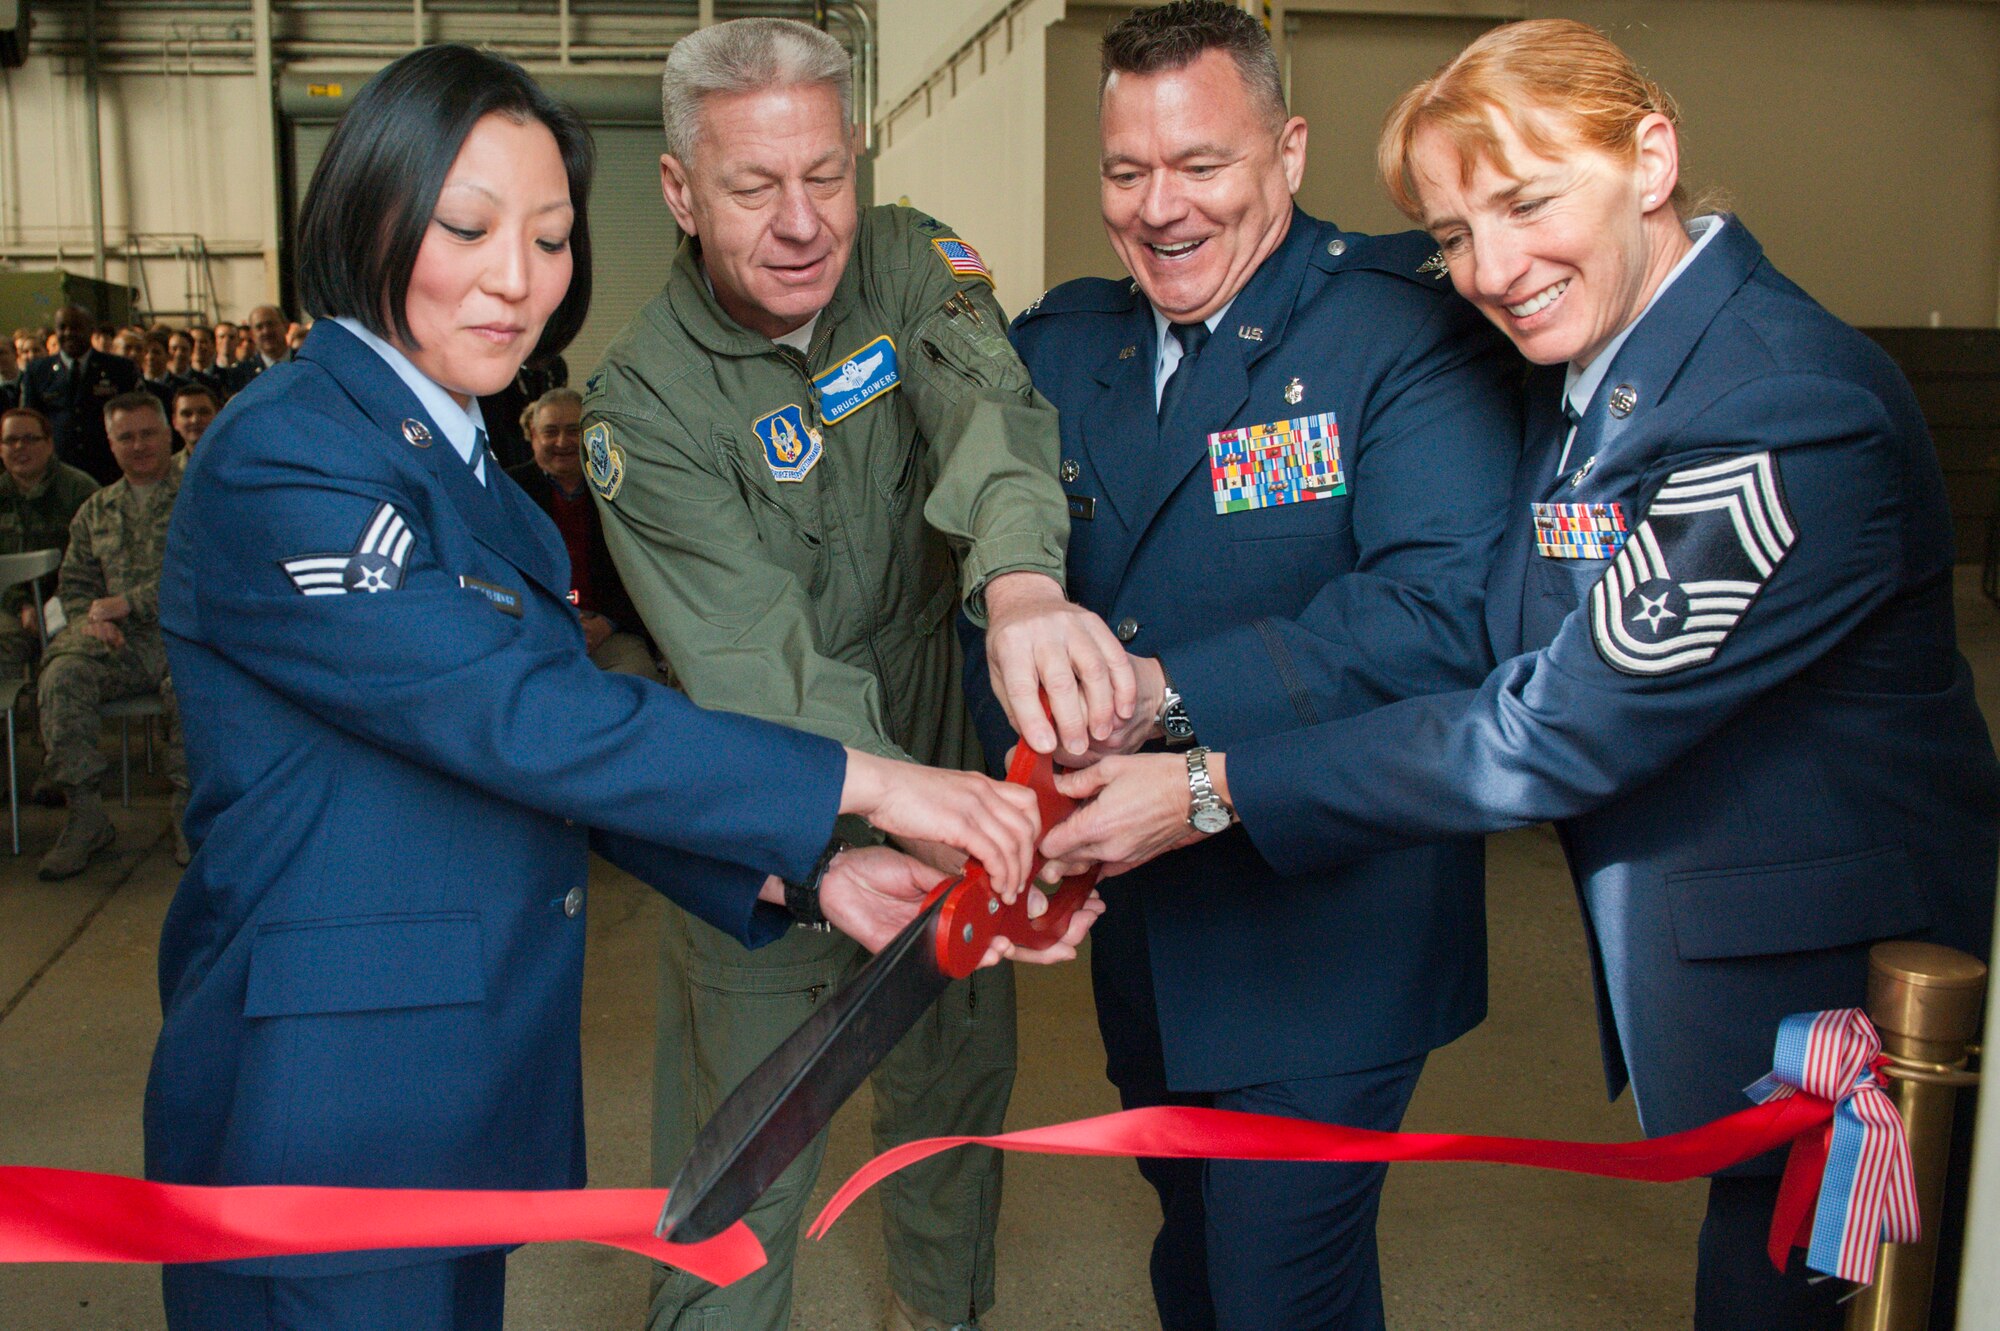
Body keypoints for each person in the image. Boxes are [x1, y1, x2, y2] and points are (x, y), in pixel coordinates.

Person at [1042, 19, 1998, 1331]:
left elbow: (1548, 729)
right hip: (1722, 987)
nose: (1491, 266)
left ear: (1650, 156)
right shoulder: (1595, 378)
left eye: (1527, 202)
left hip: (1845, 1020)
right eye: (1449, 232)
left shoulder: (1782, 404)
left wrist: (1210, 787)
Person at [146, 43, 1092, 1331]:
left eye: (547, 239)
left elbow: (522, 762)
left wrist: (810, 871)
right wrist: (875, 782)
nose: (515, 279)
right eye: (466, 228)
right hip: (332, 1098)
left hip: (462, 1075)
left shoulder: (457, 464)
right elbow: (525, 717)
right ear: (366, 212)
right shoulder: (292, 457)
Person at [968, 6, 1520, 1329]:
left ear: (1287, 151)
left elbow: (1439, 612)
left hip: (1327, 929)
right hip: (1149, 927)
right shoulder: (1061, 347)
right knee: (1196, 1249)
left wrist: (1161, 692)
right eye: (1125, 170)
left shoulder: (1399, 328)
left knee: (1283, 1284)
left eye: (1202, 165)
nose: (1160, 208)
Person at [582, 20, 1122, 1331]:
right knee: (739, 1190)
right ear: (680, 192)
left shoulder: (905, 261)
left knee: (947, 1124)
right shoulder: (640, 408)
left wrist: (1022, 584)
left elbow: (989, 414)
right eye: (754, 186)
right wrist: (927, 813)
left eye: (825, 175)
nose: (801, 221)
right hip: (774, 835)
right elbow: (759, 660)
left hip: (945, 792)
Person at [35, 390, 187, 879]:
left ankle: (191, 811)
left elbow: (208, 578)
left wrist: (131, 603)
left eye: (148, 434)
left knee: (198, 686)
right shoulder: (95, 510)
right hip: (117, 647)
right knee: (63, 674)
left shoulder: (201, 499)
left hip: (183, 638)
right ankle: (85, 816)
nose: (138, 445)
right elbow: (75, 586)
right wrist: (90, 620)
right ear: (111, 444)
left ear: (170, 434)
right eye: (126, 437)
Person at [504, 387, 658, 679]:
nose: (562, 442)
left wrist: (607, 623)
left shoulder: (622, 488)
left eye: (573, 430)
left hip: (610, 632)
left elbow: (646, 567)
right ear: (533, 436)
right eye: (550, 432)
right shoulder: (506, 490)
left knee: (640, 680)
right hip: (532, 631)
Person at [0, 406, 98, 672]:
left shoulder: (79, 491)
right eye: (10, 440)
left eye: (30, 439)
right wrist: (21, 605)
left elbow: (98, 562)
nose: (20, 447)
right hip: (10, 609)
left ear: (49, 444)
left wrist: (54, 604)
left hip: (73, 607)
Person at [20, 304, 141, 483]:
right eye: (62, 327)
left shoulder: (119, 368)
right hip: (55, 471)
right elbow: (29, 420)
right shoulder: (38, 371)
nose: (69, 333)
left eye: (76, 327)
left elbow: (133, 417)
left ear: (91, 330)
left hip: (106, 468)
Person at [226, 304, 291, 394]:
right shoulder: (240, 374)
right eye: (259, 327)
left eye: (271, 324)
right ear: (252, 334)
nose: (266, 331)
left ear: (286, 327)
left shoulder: (307, 362)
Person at [169, 382, 219, 459]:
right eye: (187, 414)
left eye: (204, 412)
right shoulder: (166, 469)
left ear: (219, 417)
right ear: (174, 422)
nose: (195, 420)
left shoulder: (240, 464)